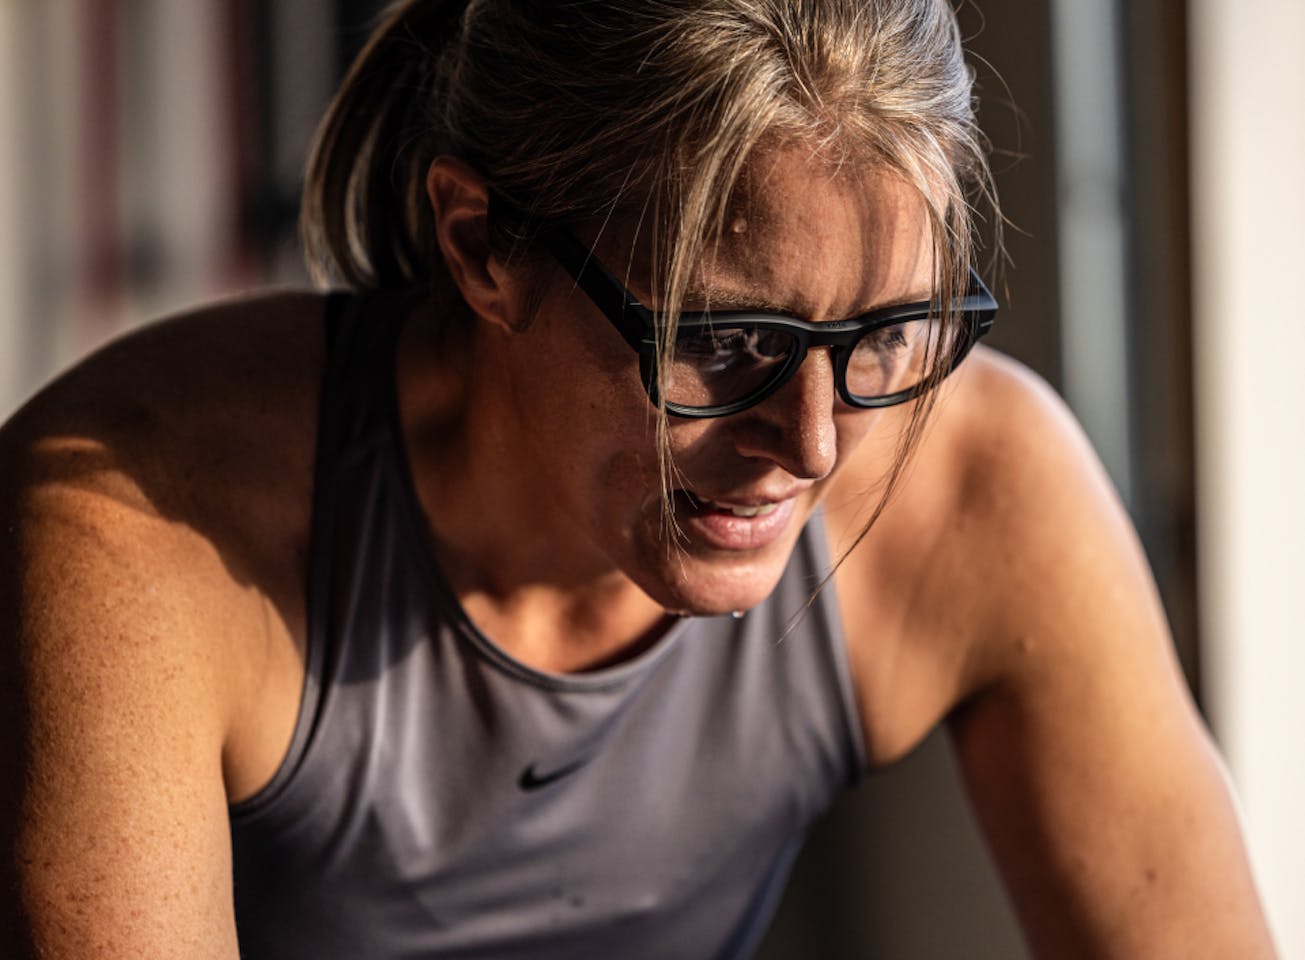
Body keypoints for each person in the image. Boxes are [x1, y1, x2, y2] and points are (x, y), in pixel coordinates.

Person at [0, 0, 1277, 957]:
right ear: (484, 242)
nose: (817, 446)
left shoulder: (974, 481)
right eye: (722, 345)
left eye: (887, 332)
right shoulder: (139, 531)